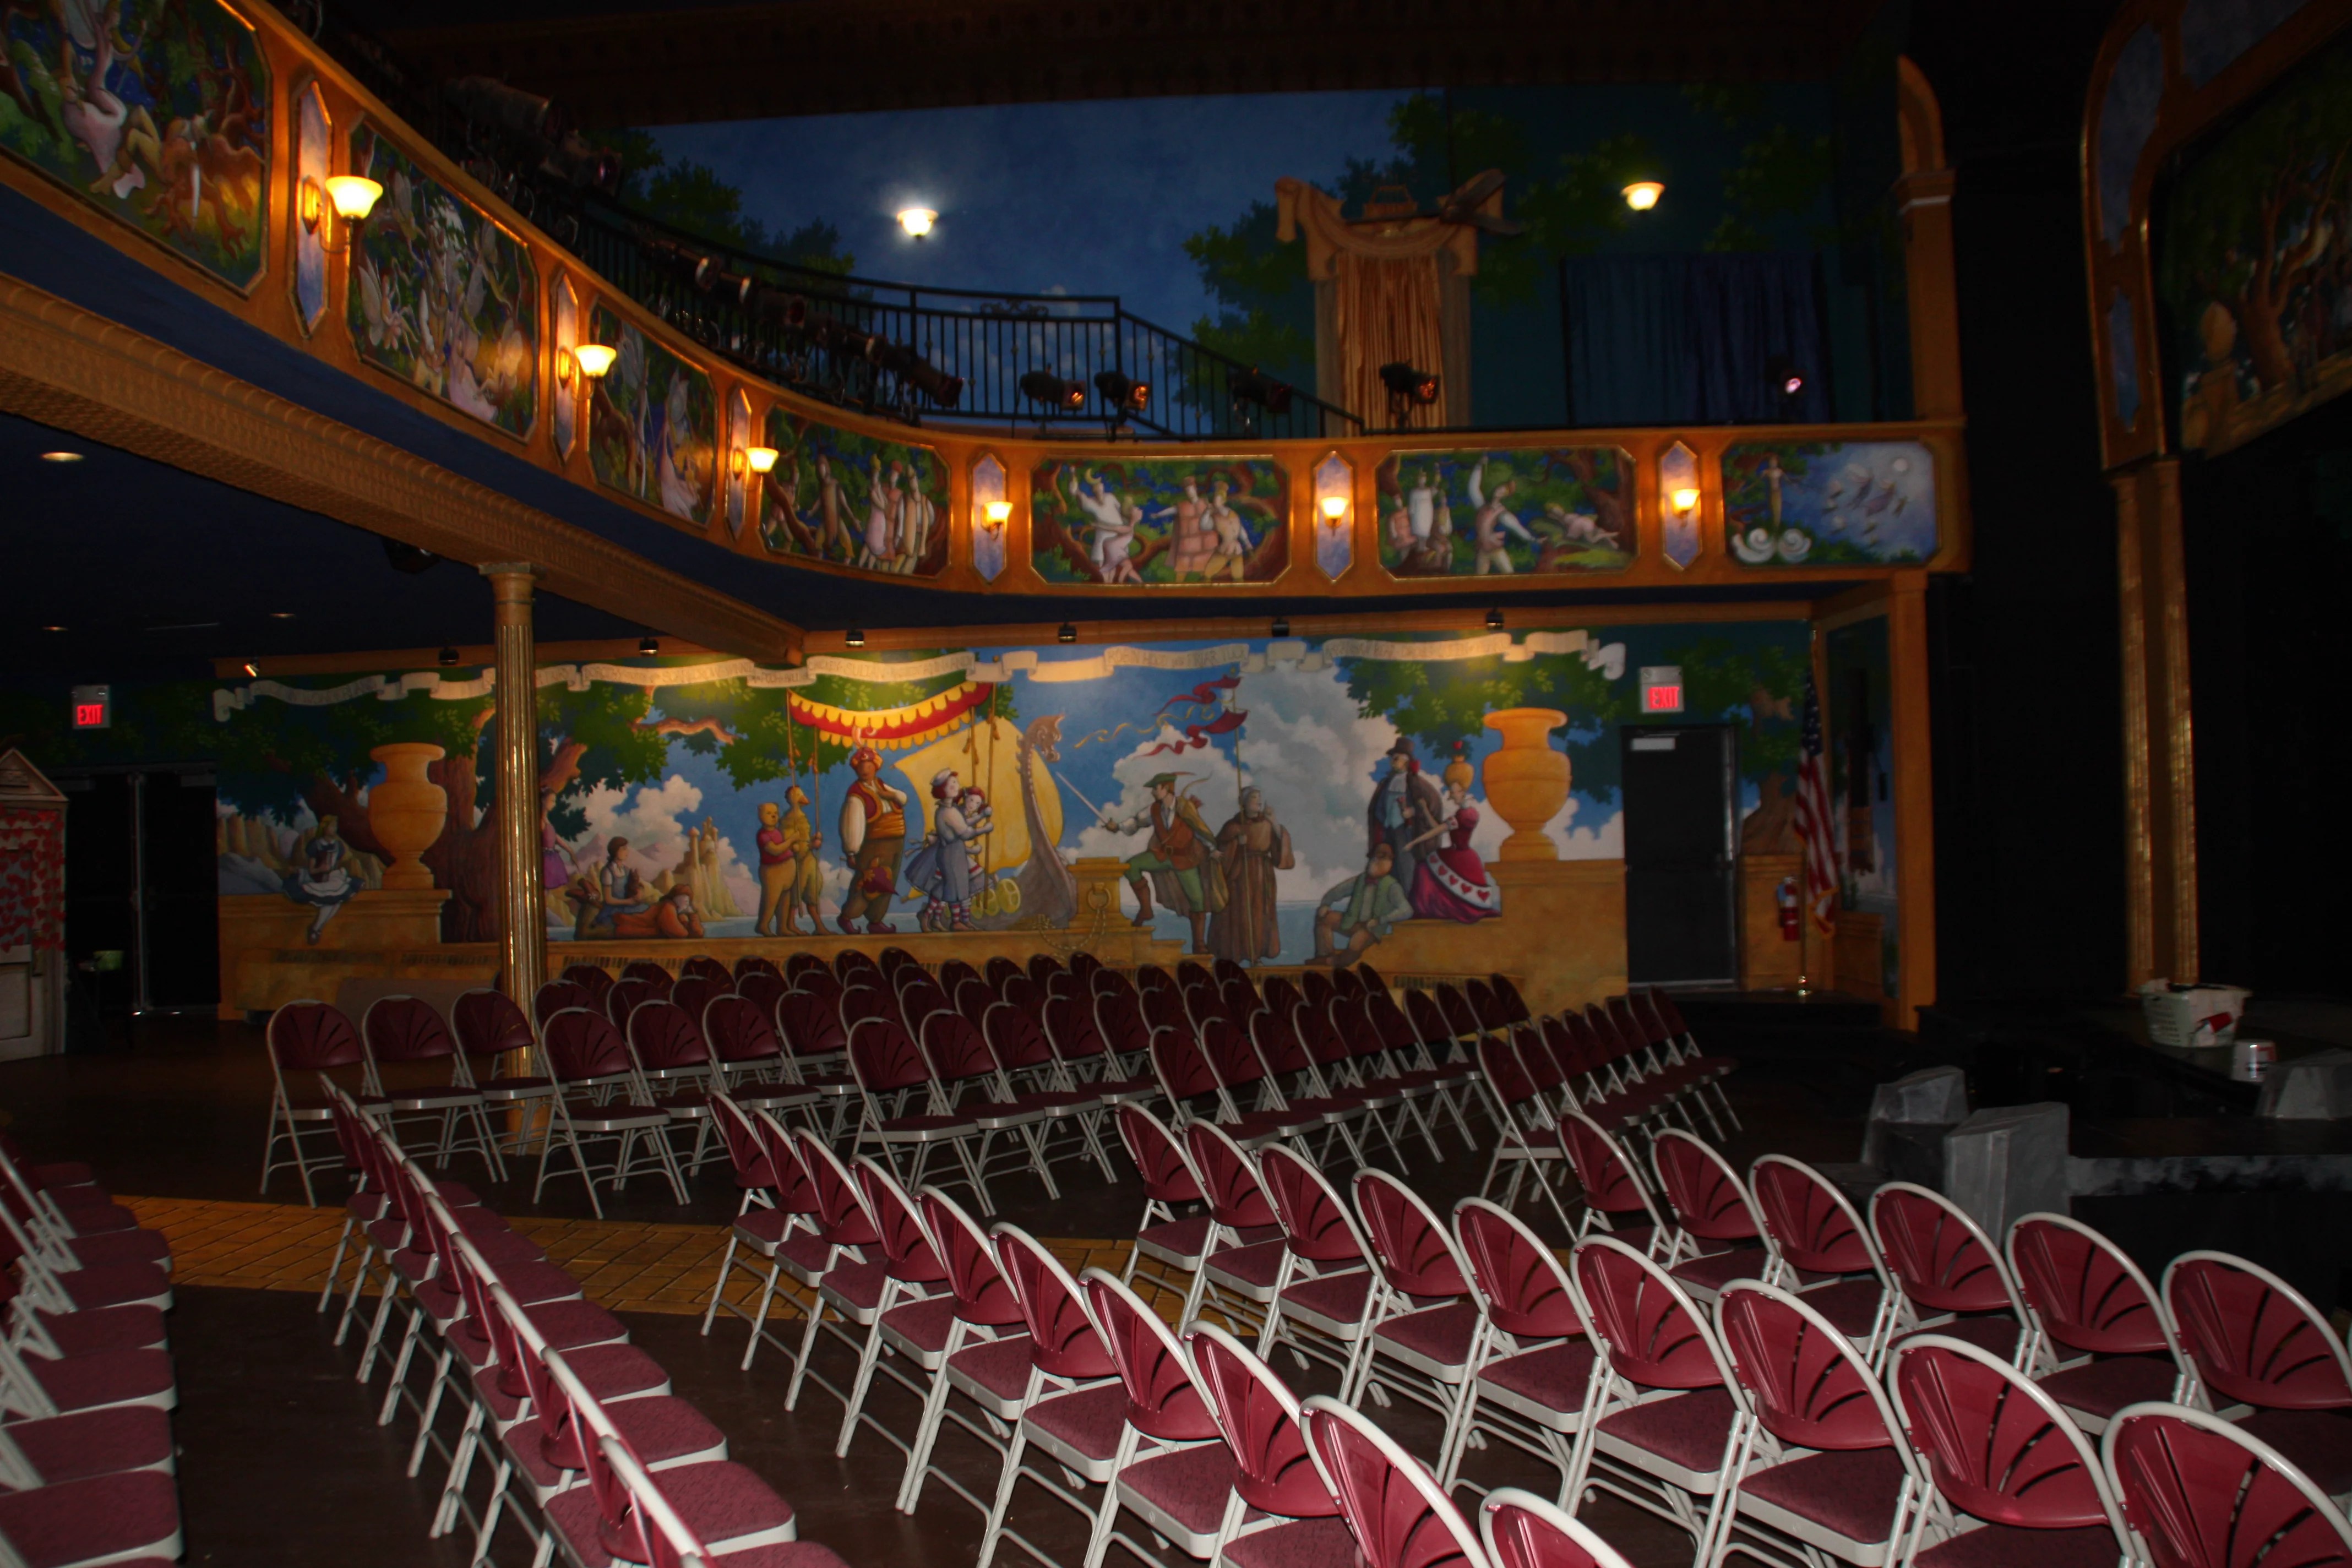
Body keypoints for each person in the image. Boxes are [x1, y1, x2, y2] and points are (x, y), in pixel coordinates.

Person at [1102, 771, 1226, 954]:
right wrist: (1118, 827)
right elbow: (1136, 822)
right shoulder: (1154, 809)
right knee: (1131, 866)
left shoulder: (1185, 808)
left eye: (1156, 788)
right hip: (1162, 856)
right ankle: (1146, 910)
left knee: (1197, 900)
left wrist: (1212, 849)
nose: (1153, 792)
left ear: (1166, 789)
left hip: (1185, 859)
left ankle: (1199, 944)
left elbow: (1199, 829)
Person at [1411, 744, 1501, 923]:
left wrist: (1414, 842)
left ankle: (1436, 909)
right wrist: (1425, 809)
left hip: (1460, 857)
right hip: (1463, 855)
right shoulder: (1467, 813)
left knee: (1423, 869)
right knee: (1427, 867)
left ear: (1462, 791)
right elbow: (1437, 827)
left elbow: (1435, 831)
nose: (1451, 796)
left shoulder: (1464, 815)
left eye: (1453, 793)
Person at [1207, 787, 1293, 965]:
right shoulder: (1234, 825)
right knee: (1238, 914)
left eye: (1259, 797)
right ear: (1244, 803)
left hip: (1262, 875)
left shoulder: (1268, 824)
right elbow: (1219, 848)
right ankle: (1234, 955)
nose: (1259, 801)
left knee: (1259, 914)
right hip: (1239, 874)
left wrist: (1274, 821)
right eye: (1254, 798)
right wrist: (1236, 843)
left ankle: (1256, 955)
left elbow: (1281, 846)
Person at [905, 769, 992, 932]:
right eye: (951, 784)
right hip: (950, 854)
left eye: (955, 783)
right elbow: (966, 833)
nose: (955, 785)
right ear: (942, 790)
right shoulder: (948, 812)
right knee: (954, 887)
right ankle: (954, 921)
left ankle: (936, 917)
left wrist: (980, 817)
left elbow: (965, 823)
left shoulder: (952, 809)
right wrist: (984, 829)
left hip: (956, 852)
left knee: (952, 887)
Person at [837, 744, 910, 934]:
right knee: (870, 883)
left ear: (875, 767)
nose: (865, 770)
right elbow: (852, 824)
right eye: (861, 767)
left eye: (868, 766)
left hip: (895, 843)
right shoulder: (857, 794)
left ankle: (876, 921)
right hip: (875, 845)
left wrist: (891, 795)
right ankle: (847, 917)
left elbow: (903, 798)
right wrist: (852, 850)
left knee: (888, 884)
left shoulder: (881, 785)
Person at [1366, 737, 1446, 896]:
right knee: (1389, 867)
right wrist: (1382, 820)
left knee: (1406, 867)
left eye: (1396, 759)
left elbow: (1431, 806)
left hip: (1406, 832)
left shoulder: (1417, 785)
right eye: (1392, 759)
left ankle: (1409, 901)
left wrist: (1413, 813)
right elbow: (1377, 807)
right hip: (1388, 831)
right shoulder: (1386, 783)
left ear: (1406, 761)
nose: (1392, 762)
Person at [1313, 843, 1412, 967]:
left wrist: (1381, 920)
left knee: (1355, 945)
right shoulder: (1360, 880)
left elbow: (1407, 910)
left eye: (1385, 859)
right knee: (1324, 918)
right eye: (1377, 858)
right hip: (1351, 922)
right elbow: (1337, 891)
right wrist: (1325, 904)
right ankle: (1324, 956)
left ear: (1390, 863)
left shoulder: (1392, 886)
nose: (1379, 862)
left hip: (1370, 929)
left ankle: (1331, 963)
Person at [283, 813, 358, 945]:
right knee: (331, 902)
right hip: (317, 879)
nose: (334, 829)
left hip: (333, 879)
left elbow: (336, 865)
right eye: (332, 826)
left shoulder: (338, 846)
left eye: (335, 826)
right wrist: (322, 869)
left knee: (337, 901)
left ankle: (316, 929)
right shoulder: (316, 845)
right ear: (325, 828)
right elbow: (312, 870)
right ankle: (316, 929)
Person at [754, 792, 823, 937]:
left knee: (785, 902)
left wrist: (808, 842)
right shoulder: (764, 835)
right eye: (769, 813)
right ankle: (763, 925)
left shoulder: (777, 831)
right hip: (773, 871)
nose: (773, 816)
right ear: (760, 816)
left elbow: (793, 844)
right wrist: (792, 841)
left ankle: (783, 927)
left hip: (787, 872)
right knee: (771, 901)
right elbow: (775, 850)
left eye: (775, 813)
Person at [568, 835, 649, 939]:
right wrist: (628, 902)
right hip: (613, 908)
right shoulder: (608, 871)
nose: (627, 852)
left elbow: (635, 886)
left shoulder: (627, 870)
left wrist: (639, 893)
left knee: (646, 909)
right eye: (623, 849)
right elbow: (608, 899)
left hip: (627, 906)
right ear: (615, 851)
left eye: (626, 849)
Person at [1467, 458, 1537, 575]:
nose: (1499, 491)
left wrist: (1533, 539)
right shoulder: (1481, 506)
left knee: (1509, 575)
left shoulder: (1502, 512)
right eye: (1500, 488)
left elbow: (1517, 528)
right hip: (1482, 551)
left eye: (1503, 491)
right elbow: (1473, 488)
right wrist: (1479, 466)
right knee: (1479, 581)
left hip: (1496, 550)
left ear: (1505, 496)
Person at [613, 883, 704, 940]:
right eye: (683, 898)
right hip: (625, 928)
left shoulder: (680, 915)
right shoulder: (668, 907)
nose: (686, 902)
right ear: (674, 898)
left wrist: (692, 914)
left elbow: (698, 933)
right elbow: (680, 934)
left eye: (688, 900)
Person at [1201, 480, 1250, 581]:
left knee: (1239, 577)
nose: (1216, 501)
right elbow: (1204, 526)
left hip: (1237, 549)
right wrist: (1207, 513)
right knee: (1207, 574)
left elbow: (1240, 528)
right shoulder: (1215, 516)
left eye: (1218, 498)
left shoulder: (1233, 513)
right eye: (1215, 498)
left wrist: (1246, 542)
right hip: (1225, 549)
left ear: (1224, 500)